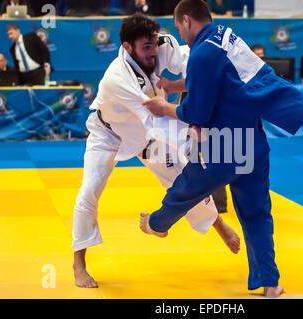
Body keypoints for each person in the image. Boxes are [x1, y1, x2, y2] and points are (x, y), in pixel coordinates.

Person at [141, 0, 303, 297]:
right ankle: (270, 283)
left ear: (186, 20)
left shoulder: (202, 52)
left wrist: (164, 107)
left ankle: (157, 224)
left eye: (180, 28)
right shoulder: (225, 36)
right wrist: (175, 86)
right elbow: (220, 81)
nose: (181, 36)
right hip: (253, 140)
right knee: (256, 212)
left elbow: (196, 111)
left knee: (187, 188)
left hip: (227, 144)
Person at [72, 14, 240, 288]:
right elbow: (156, 121)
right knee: (89, 190)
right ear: (128, 47)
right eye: (145, 47)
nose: (153, 52)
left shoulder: (161, 44)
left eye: (153, 44)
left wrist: (210, 76)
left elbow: (192, 63)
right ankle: (79, 263)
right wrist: (196, 132)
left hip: (145, 133)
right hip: (109, 131)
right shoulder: (118, 78)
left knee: (185, 178)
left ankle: (219, 226)